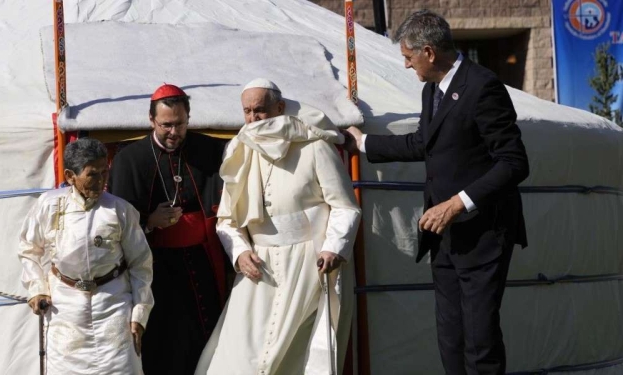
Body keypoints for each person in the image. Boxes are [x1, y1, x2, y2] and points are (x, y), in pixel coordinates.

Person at [344, 10, 529, 375]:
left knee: (479, 340)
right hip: (443, 236)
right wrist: (364, 143)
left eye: (408, 59)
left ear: (428, 52)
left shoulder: (483, 86)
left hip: (483, 234)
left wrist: (458, 203)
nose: (407, 67)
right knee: (450, 336)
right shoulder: (433, 91)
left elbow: (514, 163)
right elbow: (424, 144)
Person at [196, 78, 361, 375]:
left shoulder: (315, 146)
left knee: (298, 355)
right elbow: (226, 221)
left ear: (280, 107)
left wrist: (333, 247)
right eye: (247, 111)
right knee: (239, 353)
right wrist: (239, 253)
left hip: (308, 265)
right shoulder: (241, 151)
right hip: (259, 266)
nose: (252, 118)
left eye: (260, 110)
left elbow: (345, 207)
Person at [108, 84, 230, 375]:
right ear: (151, 121)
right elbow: (116, 225)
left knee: (207, 333)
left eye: (180, 124)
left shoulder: (210, 149)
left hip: (202, 262)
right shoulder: (130, 159)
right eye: (166, 125)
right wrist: (150, 222)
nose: (174, 132)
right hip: (155, 268)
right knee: (166, 342)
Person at [18, 138, 154, 375]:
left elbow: (141, 263)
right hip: (65, 309)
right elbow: (29, 249)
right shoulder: (49, 205)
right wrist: (37, 288)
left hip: (113, 306)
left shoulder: (120, 210)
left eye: (105, 172)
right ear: (71, 176)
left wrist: (140, 312)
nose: (101, 181)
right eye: (92, 174)